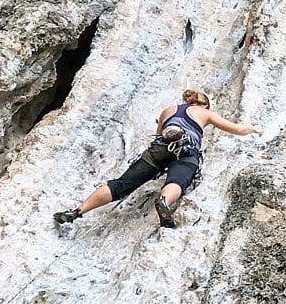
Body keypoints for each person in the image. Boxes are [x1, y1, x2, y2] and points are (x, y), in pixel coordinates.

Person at [53, 90, 260, 228]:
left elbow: (158, 134)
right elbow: (236, 129)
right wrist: (253, 128)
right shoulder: (204, 112)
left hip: (159, 148)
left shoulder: (168, 110)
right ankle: (164, 201)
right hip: (186, 150)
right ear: (203, 105)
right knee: (177, 180)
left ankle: (77, 211)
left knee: (120, 185)